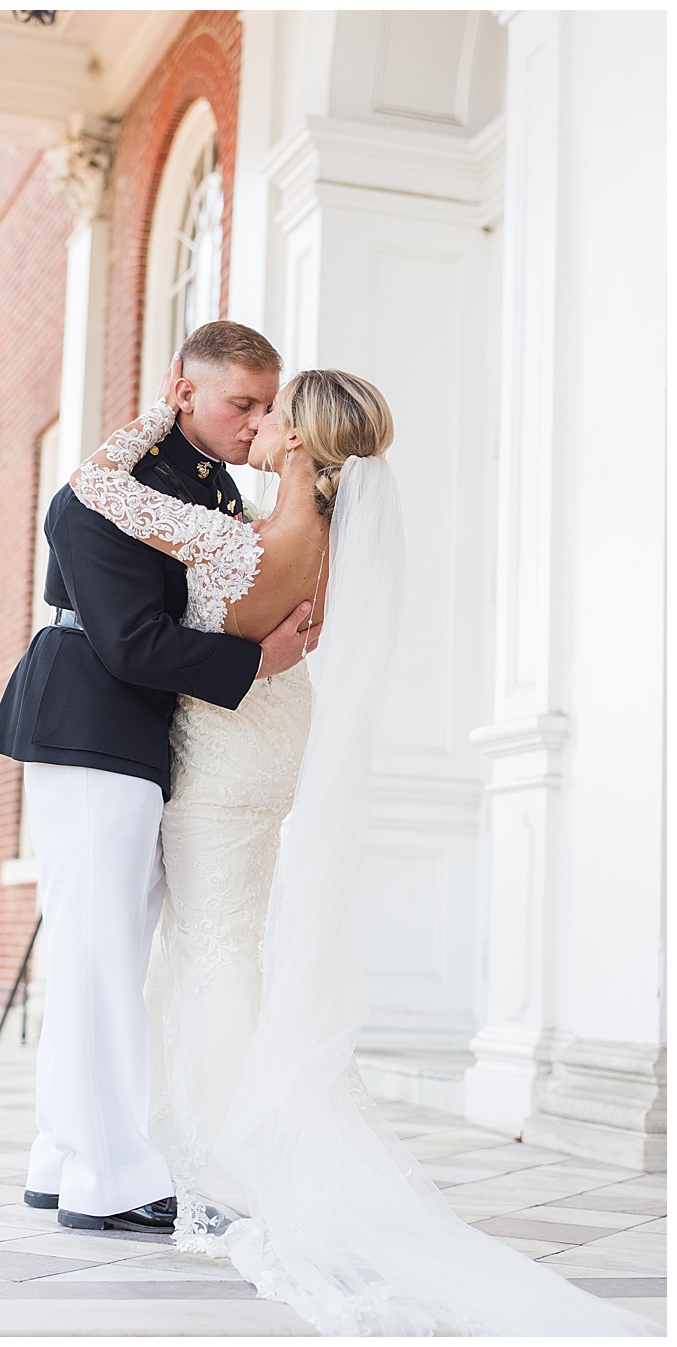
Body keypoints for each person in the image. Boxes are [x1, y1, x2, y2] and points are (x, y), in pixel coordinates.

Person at [70, 354, 654, 1335]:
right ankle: (230, 1128)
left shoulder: (232, 541)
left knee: (211, 949)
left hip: (220, 756)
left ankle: (227, 1148)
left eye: (271, 412)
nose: (255, 423)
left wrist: (151, 419)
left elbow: (93, 486)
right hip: (279, 749)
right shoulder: (333, 541)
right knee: (233, 943)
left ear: (297, 437)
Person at [0, 320, 317, 1232]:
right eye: (239, 404)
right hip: (89, 720)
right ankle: (110, 1175)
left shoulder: (201, 480)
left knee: (104, 951)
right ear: (184, 391)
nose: (256, 424)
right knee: (98, 956)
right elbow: (132, 640)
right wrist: (257, 667)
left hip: (133, 733)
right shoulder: (108, 493)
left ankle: (62, 1153)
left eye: (264, 405)